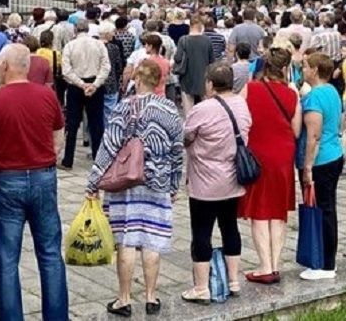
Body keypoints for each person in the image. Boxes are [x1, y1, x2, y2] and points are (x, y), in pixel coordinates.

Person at [0, 44, 68, 320]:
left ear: (3, 66)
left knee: (6, 257)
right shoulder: (47, 96)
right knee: (50, 252)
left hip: (7, 178)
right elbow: (58, 139)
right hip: (42, 175)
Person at [86, 59, 184, 318]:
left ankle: (124, 298)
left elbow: (108, 147)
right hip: (158, 181)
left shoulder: (123, 108)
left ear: (138, 79)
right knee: (152, 239)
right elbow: (177, 151)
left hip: (125, 183)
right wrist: (175, 183)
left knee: (127, 241)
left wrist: (93, 182)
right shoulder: (170, 110)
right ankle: (152, 297)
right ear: (159, 81)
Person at [181, 63, 251, 303]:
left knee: (201, 232)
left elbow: (186, 136)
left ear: (210, 84)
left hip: (204, 183)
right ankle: (233, 280)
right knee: (230, 227)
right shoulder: (241, 105)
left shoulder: (202, 109)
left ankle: (201, 287)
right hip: (232, 179)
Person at [239, 48, 301, 284]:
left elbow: (241, 120)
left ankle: (264, 265)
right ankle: (274, 264)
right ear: (286, 69)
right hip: (284, 155)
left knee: (259, 212)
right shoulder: (292, 94)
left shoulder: (250, 88)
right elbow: (296, 130)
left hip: (258, 153)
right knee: (278, 212)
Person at [298, 52, 344, 280]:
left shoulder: (314, 97)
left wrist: (307, 167)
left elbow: (312, 135)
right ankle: (327, 259)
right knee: (329, 209)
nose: (303, 69)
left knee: (323, 210)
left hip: (321, 159)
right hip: (334, 152)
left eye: (305, 66)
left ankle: (325, 264)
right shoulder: (333, 91)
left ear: (315, 70)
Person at [60, 18, 111, 168]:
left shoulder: (70, 46)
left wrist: (81, 84)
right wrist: (95, 84)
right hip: (94, 84)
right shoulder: (99, 44)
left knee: (72, 123)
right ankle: (99, 158)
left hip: (76, 86)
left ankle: (68, 159)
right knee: (96, 123)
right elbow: (106, 67)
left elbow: (66, 70)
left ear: (75, 30)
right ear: (88, 30)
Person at [174, 17, 215, 115]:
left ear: (190, 26)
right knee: (206, 109)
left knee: (188, 110)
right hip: (204, 78)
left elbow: (178, 58)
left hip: (187, 78)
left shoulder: (183, 40)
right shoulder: (207, 40)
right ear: (201, 26)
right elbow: (212, 61)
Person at [99, 22, 123, 124]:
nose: (114, 34)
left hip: (96, 82)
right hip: (111, 83)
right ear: (107, 33)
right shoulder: (113, 48)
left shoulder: (95, 46)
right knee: (110, 112)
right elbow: (119, 66)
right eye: (112, 32)